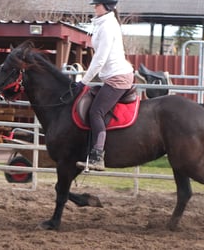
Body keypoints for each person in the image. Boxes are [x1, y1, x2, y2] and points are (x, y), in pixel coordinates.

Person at [76, 0, 134, 171]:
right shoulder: (103, 24)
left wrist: (83, 81)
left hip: (117, 78)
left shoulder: (108, 27)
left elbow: (99, 59)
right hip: (111, 76)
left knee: (96, 111)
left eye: (97, 4)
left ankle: (98, 156)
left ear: (107, 7)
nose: (94, 7)